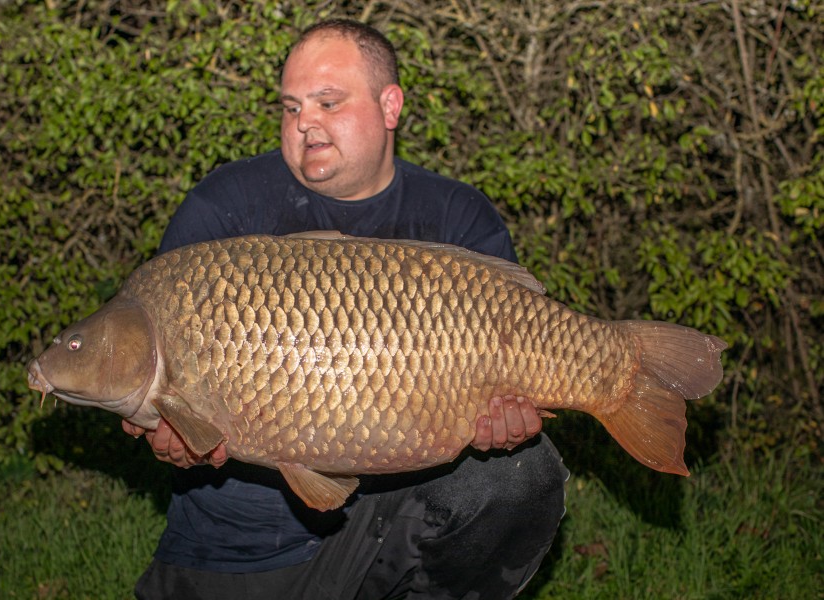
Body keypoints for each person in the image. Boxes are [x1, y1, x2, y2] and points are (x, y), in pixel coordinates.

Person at [123, 19, 569, 600]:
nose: (304, 122)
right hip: (244, 540)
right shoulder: (222, 210)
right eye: (290, 108)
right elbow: (162, 403)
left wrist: (507, 423)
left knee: (523, 476)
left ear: (390, 106)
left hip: (401, 515)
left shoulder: (459, 216)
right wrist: (177, 438)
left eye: (327, 102)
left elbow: (508, 393)